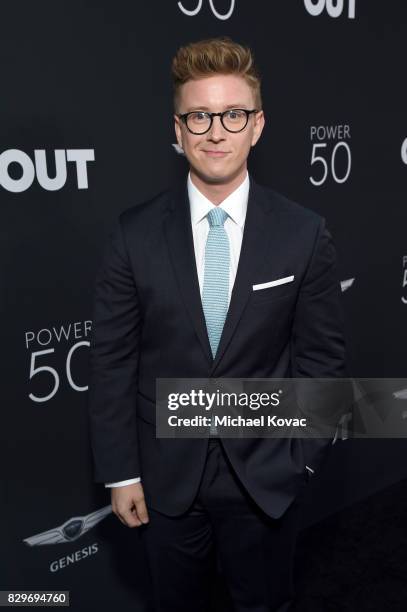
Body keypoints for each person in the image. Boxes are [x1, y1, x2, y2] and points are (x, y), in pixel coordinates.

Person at [87, 36, 347, 612]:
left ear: (257, 126)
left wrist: (301, 460)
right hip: (164, 479)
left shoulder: (304, 233)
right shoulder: (133, 234)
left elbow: (322, 362)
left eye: (234, 114)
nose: (215, 130)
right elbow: (111, 362)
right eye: (199, 115)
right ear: (176, 130)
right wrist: (121, 473)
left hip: (267, 473)